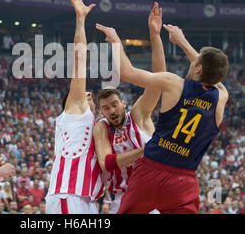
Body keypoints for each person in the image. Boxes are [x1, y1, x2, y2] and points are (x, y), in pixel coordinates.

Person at [96, 21, 229, 214]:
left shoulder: (175, 84)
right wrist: (187, 46)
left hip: (150, 172)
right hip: (183, 181)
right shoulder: (221, 99)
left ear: (198, 68)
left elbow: (126, 72)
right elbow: (214, 77)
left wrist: (116, 41)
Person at [93, 3, 166, 213]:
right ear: (102, 112)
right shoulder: (102, 127)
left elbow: (160, 77)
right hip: (121, 200)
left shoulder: (139, 114)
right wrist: (144, 151)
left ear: (123, 104)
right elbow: (107, 163)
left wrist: (155, 34)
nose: (111, 110)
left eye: (114, 104)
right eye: (106, 108)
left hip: (151, 196)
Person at [45, 0, 103, 214]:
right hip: (67, 193)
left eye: (90, 95)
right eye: (84, 94)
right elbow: (80, 59)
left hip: (86, 197)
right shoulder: (75, 112)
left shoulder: (92, 122)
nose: (88, 96)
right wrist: (80, 19)